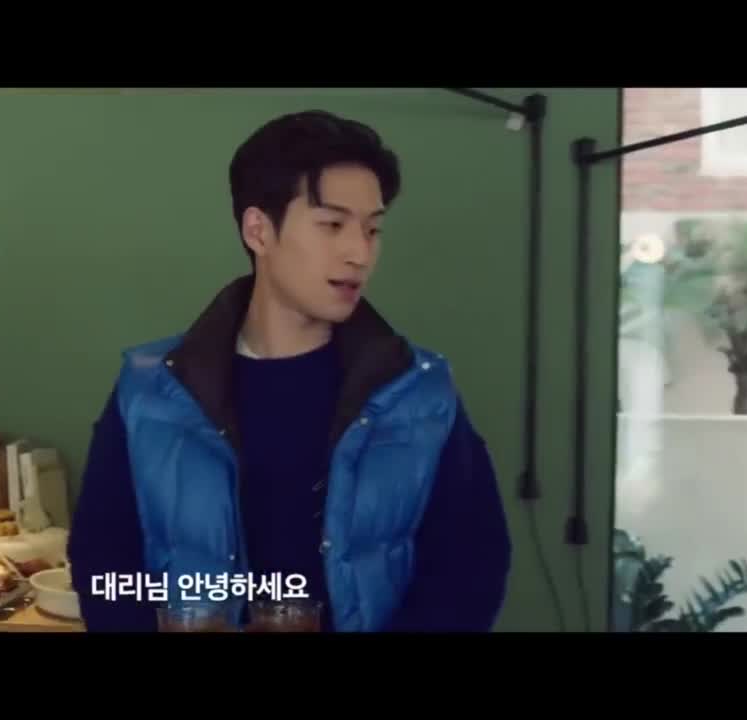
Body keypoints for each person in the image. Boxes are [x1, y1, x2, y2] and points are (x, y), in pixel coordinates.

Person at [67, 109, 512, 632]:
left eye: (372, 229)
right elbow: (104, 565)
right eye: (332, 225)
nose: (360, 253)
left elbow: (469, 568)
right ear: (259, 230)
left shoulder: (418, 390)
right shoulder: (152, 391)